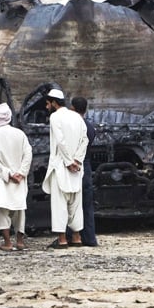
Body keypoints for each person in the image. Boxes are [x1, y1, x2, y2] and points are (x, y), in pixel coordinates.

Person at [41, 88, 88, 248]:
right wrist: (78, 160)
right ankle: (76, 237)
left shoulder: (55, 117)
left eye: (48, 104)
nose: (47, 107)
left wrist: (69, 161)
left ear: (54, 102)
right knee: (75, 203)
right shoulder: (77, 117)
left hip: (62, 165)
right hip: (77, 167)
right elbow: (85, 140)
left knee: (60, 203)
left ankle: (62, 239)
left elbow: (60, 141)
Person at [0, 102, 32, 250]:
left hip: (0, 179)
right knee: (19, 210)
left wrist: (7, 174)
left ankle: (7, 242)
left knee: (0, 211)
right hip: (18, 179)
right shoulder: (20, 134)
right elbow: (28, 154)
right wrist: (21, 173)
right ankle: (20, 241)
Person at [67, 96, 98, 247]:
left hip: (73, 165)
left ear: (72, 108)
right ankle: (90, 238)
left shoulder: (71, 126)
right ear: (85, 109)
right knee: (87, 204)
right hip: (86, 164)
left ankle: (70, 236)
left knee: (70, 202)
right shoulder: (90, 127)